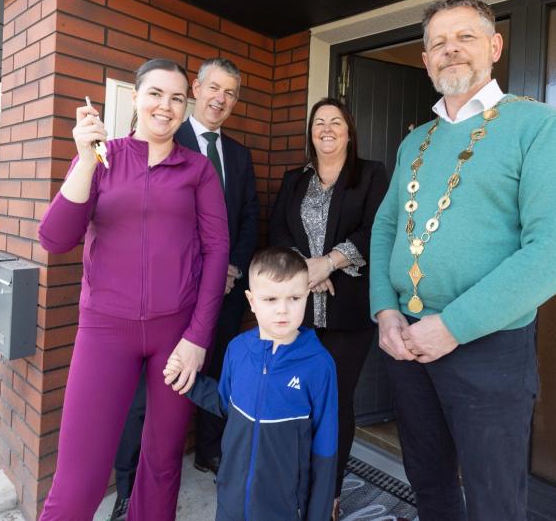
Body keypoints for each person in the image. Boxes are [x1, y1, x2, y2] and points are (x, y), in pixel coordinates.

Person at [370, 0, 556, 520]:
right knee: (430, 486)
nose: (450, 51)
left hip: (488, 349)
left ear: (494, 46)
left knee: (494, 500)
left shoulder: (540, 126)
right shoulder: (415, 141)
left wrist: (454, 327)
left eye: (464, 37)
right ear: (425, 61)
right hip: (407, 344)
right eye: (438, 43)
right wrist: (385, 309)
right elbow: (386, 226)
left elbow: (553, 254)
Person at [37, 58, 229, 521]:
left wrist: (198, 338)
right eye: (156, 94)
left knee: (162, 463)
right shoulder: (102, 157)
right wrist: (84, 160)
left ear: (186, 107)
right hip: (105, 330)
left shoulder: (198, 170)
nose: (165, 105)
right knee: (80, 473)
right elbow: (55, 238)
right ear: (136, 98)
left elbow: (217, 251)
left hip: (175, 335)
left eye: (176, 98)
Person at [111, 57, 259, 519]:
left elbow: (249, 216)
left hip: (225, 293)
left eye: (230, 93)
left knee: (217, 372)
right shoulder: (166, 135)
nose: (221, 98)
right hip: (166, 296)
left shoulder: (238, 154)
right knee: (144, 396)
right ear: (195, 89)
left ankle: (209, 451)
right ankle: (127, 488)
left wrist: (233, 267)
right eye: (214, 87)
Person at [269, 98, 388, 520]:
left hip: (349, 313)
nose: (327, 128)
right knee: (298, 397)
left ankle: (330, 493)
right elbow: (279, 229)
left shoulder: (371, 175)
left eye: (336, 121)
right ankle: (301, 477)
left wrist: (330, 262)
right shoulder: (295, 180)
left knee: (335, 401)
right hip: (299, 312)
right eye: (319, 122)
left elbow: (376, 228)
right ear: (311, 133)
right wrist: (308, 271)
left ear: (349, 131)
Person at [164, 247, 338, 521]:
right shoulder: (237, 349)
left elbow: (326, 448)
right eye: (270, 299)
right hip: (231, 500)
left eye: (294, 297)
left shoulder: (319, 365)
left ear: (307, 295)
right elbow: (225, 403)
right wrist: (190, 383)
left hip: (283, 508)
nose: (283, 309)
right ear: (252, 301)